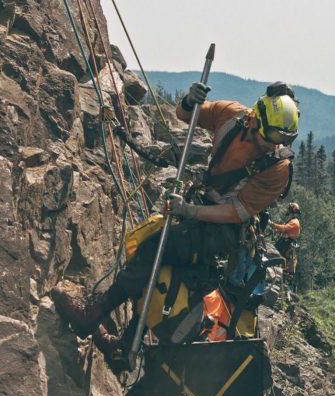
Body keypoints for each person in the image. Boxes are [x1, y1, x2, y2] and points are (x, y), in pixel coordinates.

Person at [50, 80, 300, 340]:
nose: (274, 146)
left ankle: (92, 315)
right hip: (204, 208)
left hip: (226, 231)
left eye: (283, 140)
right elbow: (185, 115)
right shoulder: (231, 115)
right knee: (159, 265)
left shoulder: (277, 168)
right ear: (255, 118)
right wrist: (190, 101)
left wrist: (190, 211)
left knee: (153, 249)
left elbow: (238, 212)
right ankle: (125, 348)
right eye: (272, 138)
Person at [272, 202, 301, 276]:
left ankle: (276, 270)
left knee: (273, 254)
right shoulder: (292, 221)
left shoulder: (294, 222)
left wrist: (273, 225)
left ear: (292, 211)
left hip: (286, 243)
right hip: (286, 242)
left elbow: (284, 228)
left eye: (289, 209)